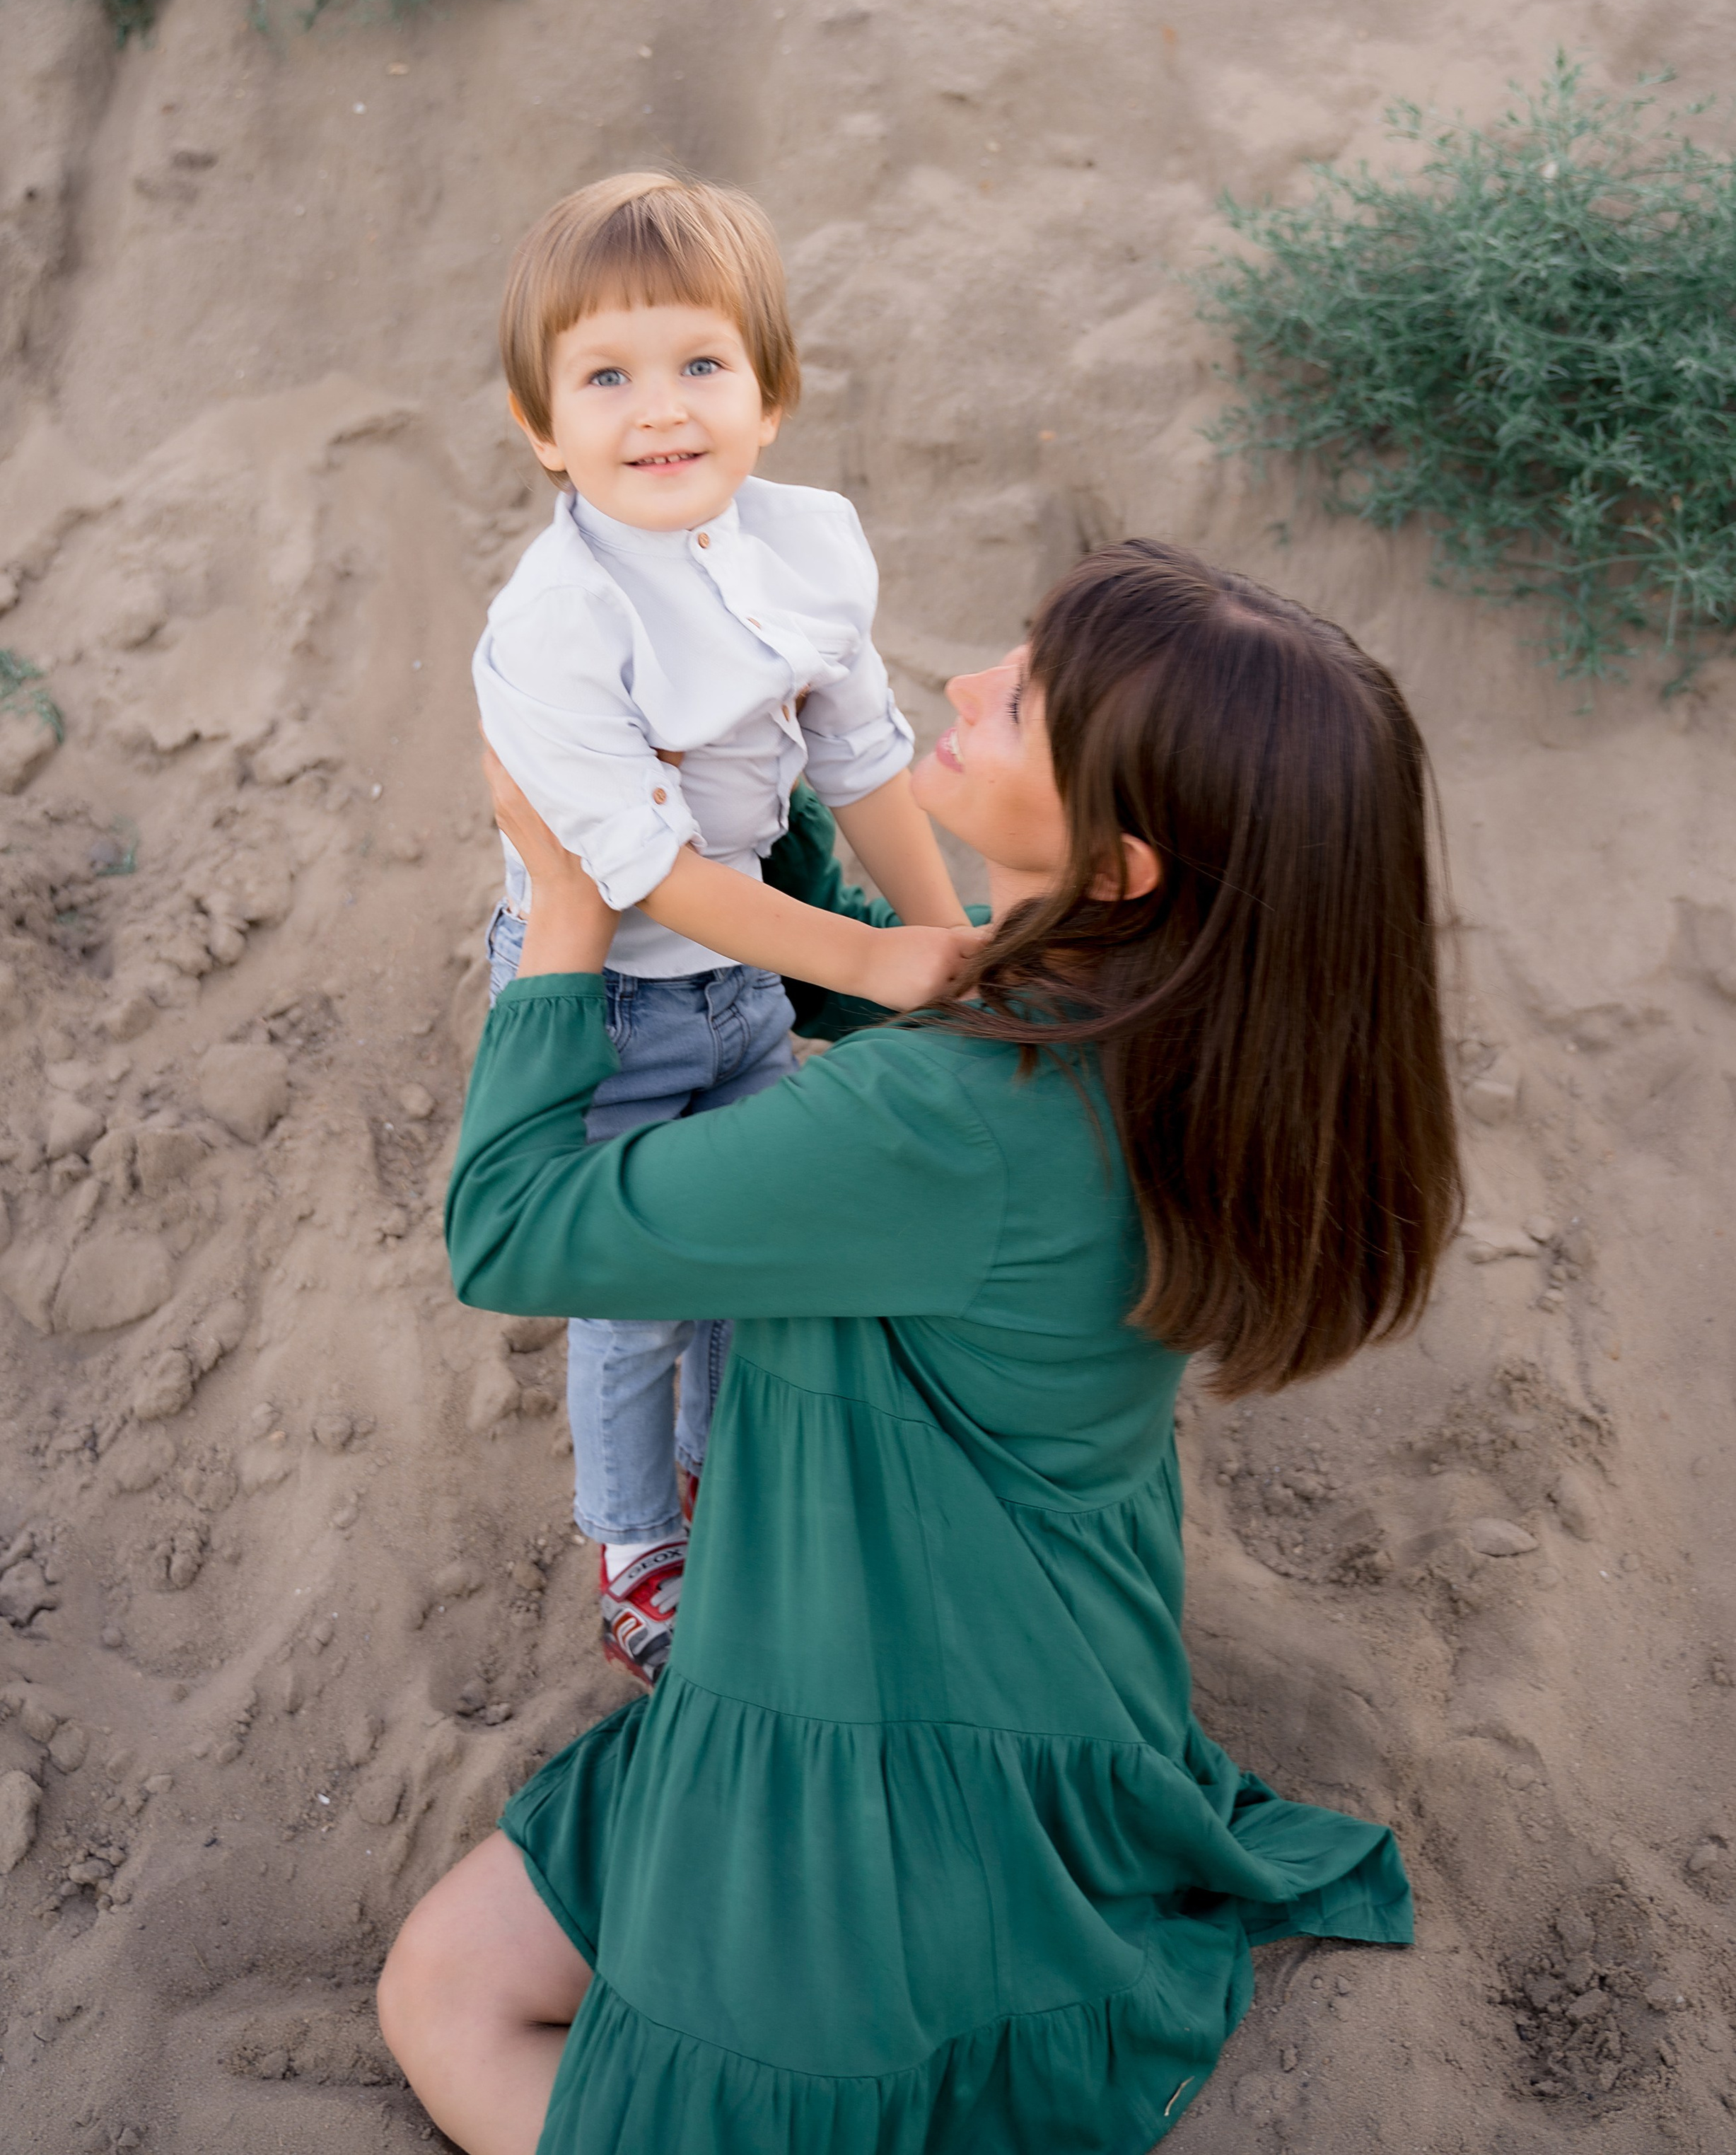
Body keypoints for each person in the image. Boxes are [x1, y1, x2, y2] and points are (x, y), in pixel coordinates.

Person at [382, 540, 1462, 2155]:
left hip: (875, 1712)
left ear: (1118, 866)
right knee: (472, 1967)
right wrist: (756, 814)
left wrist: (564, 900)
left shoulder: (952, 1127)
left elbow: (513, 1229)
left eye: (1021, 700)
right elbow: (895, 989)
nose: (963, 684)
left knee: (446, 1996)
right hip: (1047, 1677)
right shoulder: (1182, 1034)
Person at [472, 173, 971, 1681]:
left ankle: (718, 1466)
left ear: (769, 396)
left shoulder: (808, 543)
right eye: (605, 377)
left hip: (748, 972)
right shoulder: (559, 620)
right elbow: (639, 872)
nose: (659, 410)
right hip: (613, 997)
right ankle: (634, 1537)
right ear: (542, 430)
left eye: (700, 365)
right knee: (637, 1288)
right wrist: (870, 961)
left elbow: (864, 752)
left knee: (745, 1246)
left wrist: (943, 936)